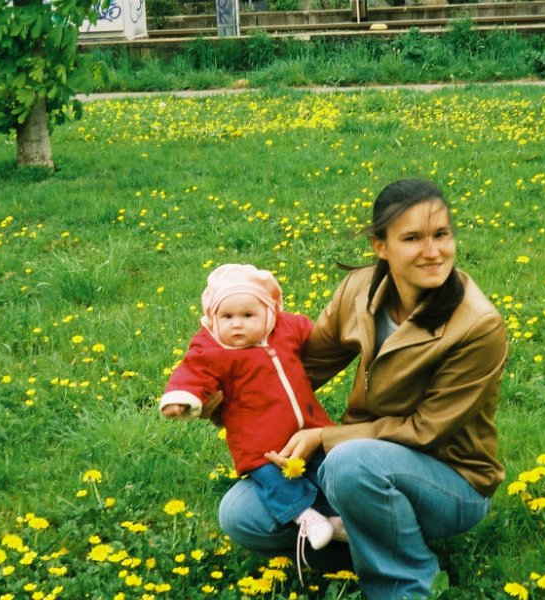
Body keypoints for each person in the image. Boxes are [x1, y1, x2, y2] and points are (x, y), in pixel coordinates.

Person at [218, 179, 509, 599]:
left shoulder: (477, 326)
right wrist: (227, 395)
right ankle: (375, 546)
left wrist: (325, 438)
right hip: (359, 464)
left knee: (349, 463)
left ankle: (408, 584)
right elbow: (303, 369)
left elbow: (427, 430)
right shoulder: (359, 289)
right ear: (380, 246)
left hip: (451, 480)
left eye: (441, 234)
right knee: (241, 514)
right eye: (413, 238)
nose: (433, 251)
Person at [159, 263, 341, 550]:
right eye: (227, 316)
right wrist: (181, 399)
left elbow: (319, 336)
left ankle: (343, 518)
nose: (237, 324)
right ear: (212, 317)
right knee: (277, 484)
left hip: (310, 427)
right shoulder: (211, 349)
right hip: (259, 447)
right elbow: (191, 373)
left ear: (269, 313)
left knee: (328, 470)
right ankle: (307, 518)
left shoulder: (285, 328)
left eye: (247, 315)